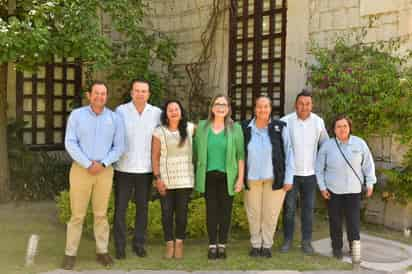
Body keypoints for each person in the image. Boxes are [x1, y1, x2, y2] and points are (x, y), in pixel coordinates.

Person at [62, 81, 125, 270]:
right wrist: (88, 163)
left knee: (101, 214)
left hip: (105, 171)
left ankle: (102, 251)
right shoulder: (77, 115)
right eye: (96, 93)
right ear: (89, 95)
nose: (100, 97)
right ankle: (70, 254)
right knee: (77, 215)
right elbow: (70, 142)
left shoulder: (114, 119)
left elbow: (119, 146)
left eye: (104, 94)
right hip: (81, 169)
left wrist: (104, 163)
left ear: (107, 96)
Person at [316, 115, 376, 259]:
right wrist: (322, 188)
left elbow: (368, 164)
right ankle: (336, 248)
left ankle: (353, 246)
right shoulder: (327, 146)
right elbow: (319, 169)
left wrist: (370, 182)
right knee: (335, 221)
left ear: (349, 127)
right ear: (334, 129)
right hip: (333, 192)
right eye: (338, 126)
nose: (342, 129)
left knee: (353, 221)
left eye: (345, 126)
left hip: (353, 191)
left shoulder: (359, 143)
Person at [241, 96, 295, 258]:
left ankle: (267, 245)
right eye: (259, 106)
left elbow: (289, 152)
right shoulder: (244, 127)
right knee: (253, 213)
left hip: (275, 178)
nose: (262, 110)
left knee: (271, 214)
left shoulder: (280, 127)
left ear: (270, 109)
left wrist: (289, 178)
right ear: (254, 109)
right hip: (251, 178)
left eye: (266, 106)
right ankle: (256, 245)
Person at [113, 79, 161, 259]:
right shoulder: (121, 111)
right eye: (137, 90)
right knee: (120, 209)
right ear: (131, 93)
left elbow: (170, 129)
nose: (140, 94)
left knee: (143, 209)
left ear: (148, 94)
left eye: (144, 91)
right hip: (123, 169)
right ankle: (119, 246)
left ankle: (139, 244)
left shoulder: (156, 113)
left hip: (146, 170)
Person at [194, 94, 245, 260]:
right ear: (212, 107)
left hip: (227, 177)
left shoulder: (235, 128)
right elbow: (194, 150)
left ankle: (222, 245)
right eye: (217, 104)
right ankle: (212, 244)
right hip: (208, 176)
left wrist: (240, 179)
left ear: (228, 108)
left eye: (224, 104)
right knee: (211, 211)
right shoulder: (202, 127)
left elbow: (241, 156)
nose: (220, 107)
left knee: (225, 211)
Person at [280, 89, 329, 254]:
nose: (304, 107)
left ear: (311, 105)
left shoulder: (318, 122)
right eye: (301, 103)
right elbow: (279, 148)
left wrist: (321, 168)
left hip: (310, 175)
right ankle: (287, 241)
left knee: (308, 210)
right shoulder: (285, 121)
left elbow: (325, 145)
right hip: (291, 175)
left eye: (307, 103)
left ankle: (306, 242)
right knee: (289, 210)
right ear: (296, 104)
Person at [151, 100, 195, 259]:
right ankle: (169, 243)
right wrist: (158, 178)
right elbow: (155, 157)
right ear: (166, 114)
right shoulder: (159, 131)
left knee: (182, 214)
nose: (174, 112)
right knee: (166, 213)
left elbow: (211, 127)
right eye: (170, 110)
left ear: (181, 112)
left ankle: (179, 243)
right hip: (166, 180)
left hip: (185, 179)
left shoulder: (190, 128)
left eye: (176, 109)